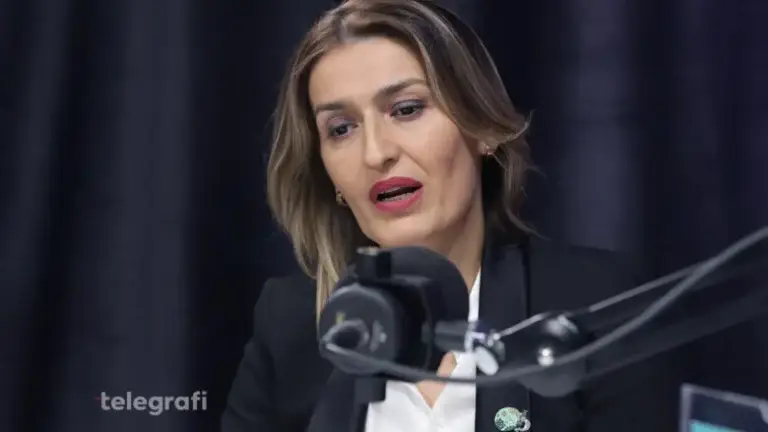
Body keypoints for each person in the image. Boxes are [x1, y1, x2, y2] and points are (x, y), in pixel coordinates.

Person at [221, 1, 683, 431]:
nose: (376, 153)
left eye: (407, 109)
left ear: (482, 128)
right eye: (341, 129)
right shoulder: (291, 324)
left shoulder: (597, 300)